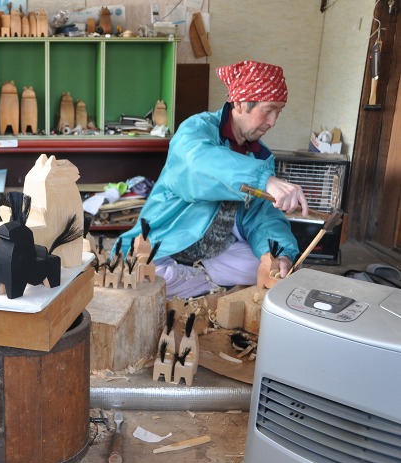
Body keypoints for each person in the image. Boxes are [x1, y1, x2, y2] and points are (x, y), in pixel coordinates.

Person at [115, 60, 309, 298]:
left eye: (279, 111)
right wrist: (264, 180)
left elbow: (262, 216)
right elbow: (197, 164)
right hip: (167, 245)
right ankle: (196, 282)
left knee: (277, 268)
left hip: (214, 254)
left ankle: (195, 279)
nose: (273, 121)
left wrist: (280, 253)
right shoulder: (196, 129)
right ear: (239, 103)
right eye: (268, 110)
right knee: (141, 269)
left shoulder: (260, 156)